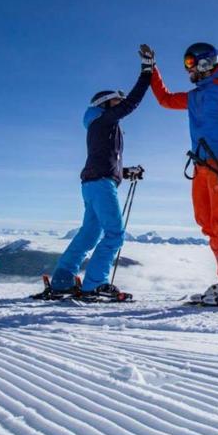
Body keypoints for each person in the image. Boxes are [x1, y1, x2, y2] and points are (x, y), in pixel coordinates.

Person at [144, 42, 218, 304]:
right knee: (208, 224)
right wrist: (152, 69)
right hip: (201, 167)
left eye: (191, 63)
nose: (188, 69)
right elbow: (165, 99)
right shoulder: (194, 96)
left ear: (206, 63)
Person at [49, 48, 152, 295]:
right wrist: (147, 71)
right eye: (116, 101)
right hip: (102, 185)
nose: (120, 105)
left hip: (93, 184)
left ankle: (63, 280)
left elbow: (104, 160)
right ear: (105, 104)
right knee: (114, 234)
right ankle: (95, 284)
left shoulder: (100, 125)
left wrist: (126, 172)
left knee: (89, 233)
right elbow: (132, 103)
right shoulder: (104, 120)